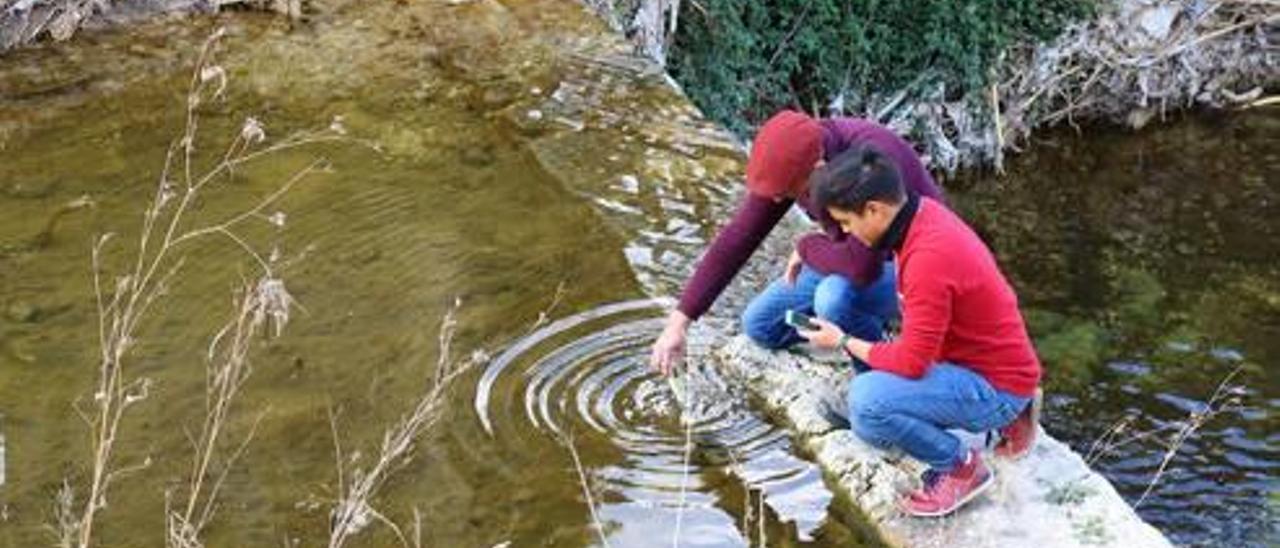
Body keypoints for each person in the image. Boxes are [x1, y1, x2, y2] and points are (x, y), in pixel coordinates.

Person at [799, 145, 1042, 517]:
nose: (847, 234)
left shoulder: (928, 258)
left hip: (995, 385)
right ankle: (1016, 412)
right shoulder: (922, 215)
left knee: (867, 405)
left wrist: (843, 341)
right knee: (849, 312)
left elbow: (912, 363)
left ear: (875, 210)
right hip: (1000, 365)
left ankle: (962, 466)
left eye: (847, 223)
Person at [649, 110, 943, 375]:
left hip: (905, 267)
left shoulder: (864, 164)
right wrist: (680, 322)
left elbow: (862, 268)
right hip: (848, 252)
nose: (777, 199)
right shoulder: (793, 161)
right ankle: (847, 333)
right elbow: (739, 236)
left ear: (818, 168)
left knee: (834, 297)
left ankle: (879, 377)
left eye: (787, 191)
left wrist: (807, 247)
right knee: (761, 325)